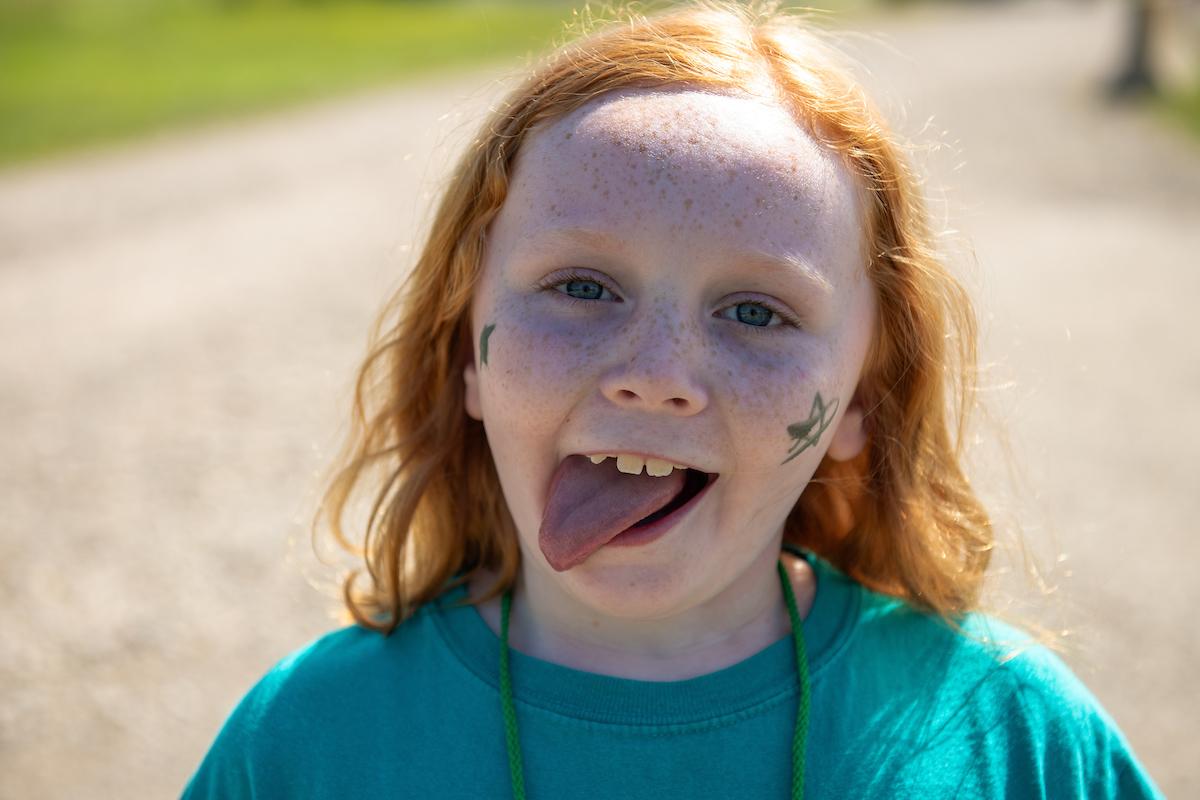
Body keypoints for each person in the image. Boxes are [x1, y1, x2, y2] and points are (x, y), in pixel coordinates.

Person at [182, 2, 1164, 797]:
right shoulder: (310, 741)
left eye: (756, 310)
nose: (654, 371)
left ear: (863, 396)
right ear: (463, 348)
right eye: (581, 286)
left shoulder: (1010, 737)